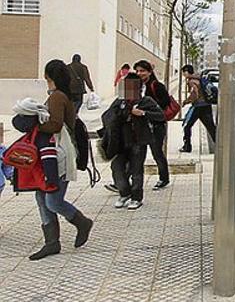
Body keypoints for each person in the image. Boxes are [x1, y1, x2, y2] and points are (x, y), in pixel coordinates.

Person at [22, 60, 93, 260]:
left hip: (58, 154)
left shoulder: (57, 97)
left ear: (49, 77)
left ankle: (82, 222)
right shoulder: (62, 96)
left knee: (52, 200)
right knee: (42, 197)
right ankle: (51, 242)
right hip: (55, 153)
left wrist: (33, 125)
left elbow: (55, 125)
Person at [105, 73, 164, 210]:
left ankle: (136, 197)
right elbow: (108, 116)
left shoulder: (146, 101)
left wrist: (143, 113)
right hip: (120, 141)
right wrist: (121, 114)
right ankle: (124, 193)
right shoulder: (120, 102)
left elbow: (160, 115)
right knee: (117, 168)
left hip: (138, 141)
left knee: (136, 170)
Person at [134, 60, 171, 190]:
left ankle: (163, 178)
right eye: (137, 71)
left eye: (142, 71)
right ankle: (123, 182)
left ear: (149, 72)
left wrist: (148, 109)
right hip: (139, 125)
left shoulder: (157, 86)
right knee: (136, 154)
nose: (139, 73)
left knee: (157, 152)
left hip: (156, 124)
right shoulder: (133, 86)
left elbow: (165, 103)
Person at [180, 64, 217, 153]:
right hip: (206, 105)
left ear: (186, 72)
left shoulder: (191, 81)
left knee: (187, 126)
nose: (183, 75)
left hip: (197, 107)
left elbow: (194, 94)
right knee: (211, 127)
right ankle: (220, 145)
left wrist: (186, 101)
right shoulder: (199, 78)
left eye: (183, 73)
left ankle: (187, 146)